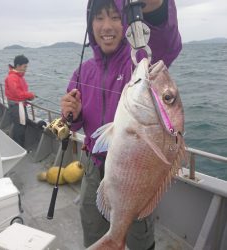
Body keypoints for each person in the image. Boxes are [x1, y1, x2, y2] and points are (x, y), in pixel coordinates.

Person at [61, 0, 181, 249]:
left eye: (115, 17)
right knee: (92, 228)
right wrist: (71, 116)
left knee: (139, 237)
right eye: (99, 18)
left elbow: (166, 42)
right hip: (94, 167)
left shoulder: (139, 61)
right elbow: (74, 125)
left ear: (126, 21)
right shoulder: (82, 72)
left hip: (136, 176)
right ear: (90, 24)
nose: (107, 26)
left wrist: (154, 7)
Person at [5, 55, 35, 147]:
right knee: (19, 129)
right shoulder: (12, 78)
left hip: (21, 106)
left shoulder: (19, 77)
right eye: (24, 66)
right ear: (18, 66)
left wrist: (28, 96)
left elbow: (21, 93)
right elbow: (17, 93)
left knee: (21, 126)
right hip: (16, 107)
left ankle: (20, 148)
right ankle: (19, 149)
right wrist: (30, 95)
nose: (26, 69)